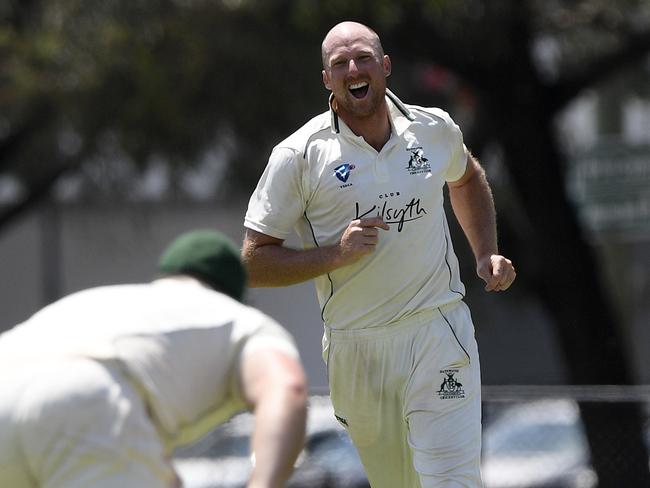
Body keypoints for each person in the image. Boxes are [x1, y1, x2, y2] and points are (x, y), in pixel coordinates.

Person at [242, 21, 516, 488]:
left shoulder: (432, 129)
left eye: (363, 57)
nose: (353, 68)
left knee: (452, 481)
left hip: (438, 330)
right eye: (339, 63)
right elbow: (252, 262)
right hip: (357, 346)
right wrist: (335, 255)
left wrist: (485, 252)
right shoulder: (299, 155)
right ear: (327, 80)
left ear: (384, 66)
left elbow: (465, 177)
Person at [0, 229, 308, 488]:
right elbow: (286, 388)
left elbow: (132, 453)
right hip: (86, 397)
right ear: (235, 292)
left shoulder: (110, 301)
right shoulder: (240, 320)